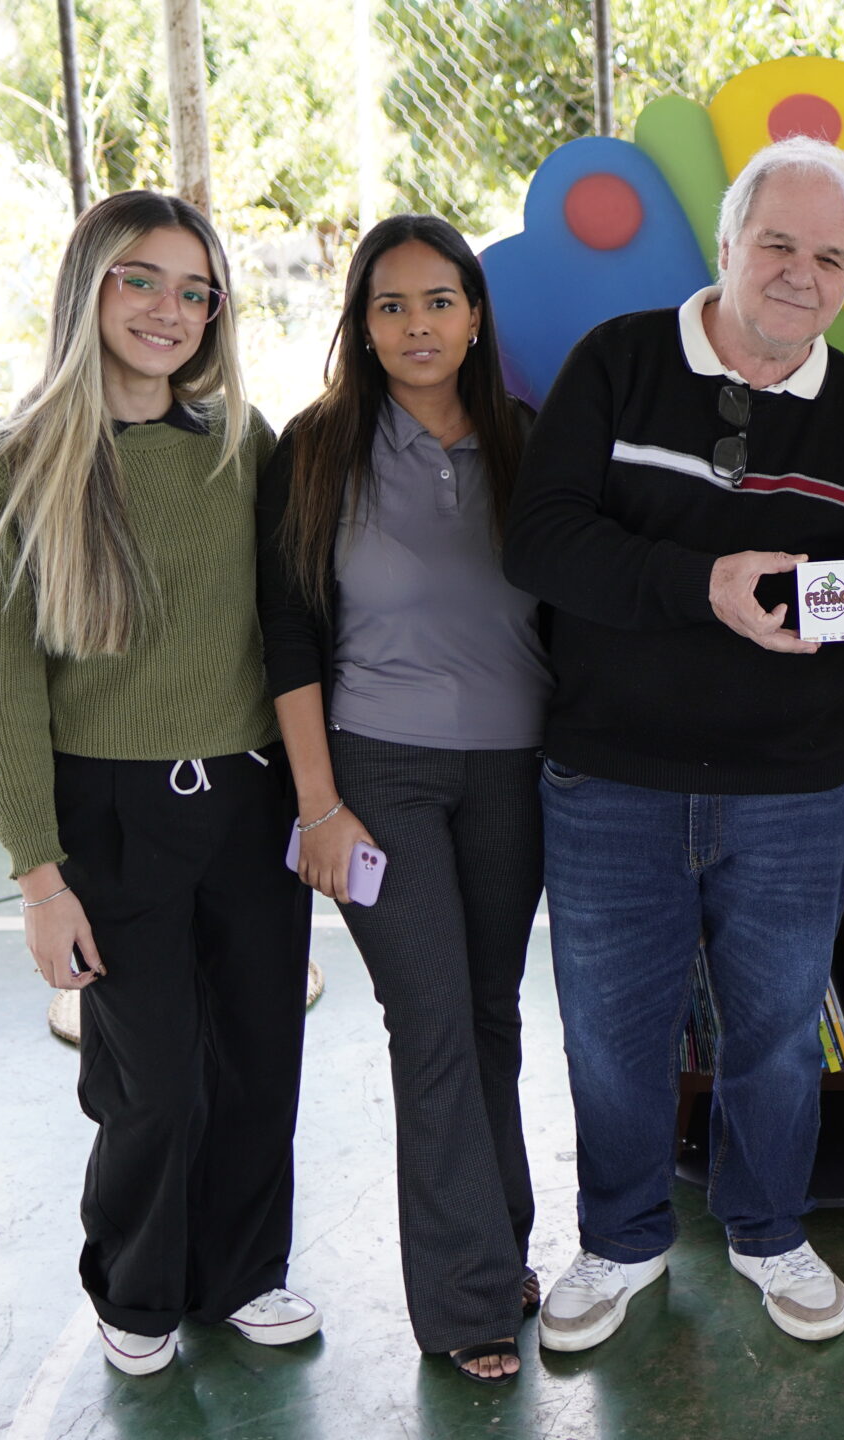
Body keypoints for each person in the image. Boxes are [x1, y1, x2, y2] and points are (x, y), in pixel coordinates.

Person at [501, 137, 844, 1351]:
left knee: (779, 1036)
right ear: (729, 242)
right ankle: (619, 1241)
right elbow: (539, 542)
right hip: (612, 776)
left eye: (830, 257)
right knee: (611, 1036)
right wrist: (703, 583)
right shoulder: (618, 362)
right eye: (779, 244)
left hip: (792, 786)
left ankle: (766, 1230)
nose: (801, 273)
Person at [0, 190, 317, 1377]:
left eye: (195, 290)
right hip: (108, 817)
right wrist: (40, 880)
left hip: (250, 800)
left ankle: (243, 1273)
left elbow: (287, 628)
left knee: (258, 1058)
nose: (171, 309)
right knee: (153, 1083)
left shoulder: (240, 444)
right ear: (89, 287)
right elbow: (5, 691)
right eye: (142, 280)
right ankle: (137, 1286)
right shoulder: (11, 465)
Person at [255, 214, 545, 1384]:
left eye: (438, 301)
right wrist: (319, 806)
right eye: (390, 306)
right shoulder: (317, 447)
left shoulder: (528, 440)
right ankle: (466, 1302)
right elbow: (286, 633)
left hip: (513, 772)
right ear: (362, 327)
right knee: (427, 1022)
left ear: (474, 316)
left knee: (489, 1016)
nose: (416, 325)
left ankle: (502, 1246)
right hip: (378, 771)